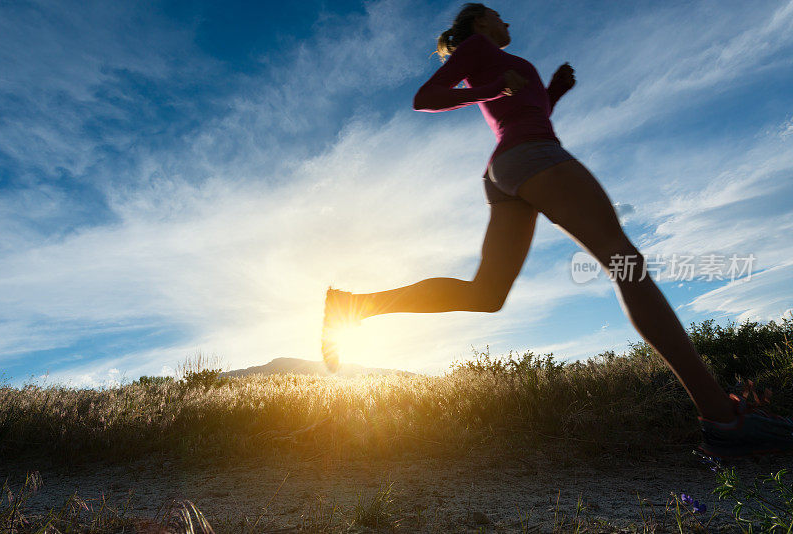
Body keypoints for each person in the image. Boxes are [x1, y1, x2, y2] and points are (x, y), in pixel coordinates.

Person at [321, 3, 793, 458]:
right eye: (499, 15)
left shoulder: (499, 61)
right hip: (532, 155)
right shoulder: (479, 50)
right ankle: (723, 420)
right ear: (479, 20)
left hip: (508, 167)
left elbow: (525, 107)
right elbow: (425, 99)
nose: (507, 22)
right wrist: (486, 92)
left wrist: (554, 92)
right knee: (625, 262)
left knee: (487, 294)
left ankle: (355, 305)